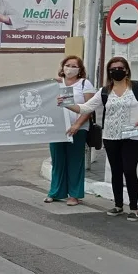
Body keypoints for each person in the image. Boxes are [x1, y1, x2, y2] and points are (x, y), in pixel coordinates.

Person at [59, 56, 138, 221]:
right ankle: (118, 205)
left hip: (133, 136)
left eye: (120, 68)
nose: (116, 71)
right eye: (113, 69)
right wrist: (66, 104)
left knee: (129, 170)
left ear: (126, 70)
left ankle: (134, 208)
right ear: (109, 72)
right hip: (111, 136)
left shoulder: (137, 88)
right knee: (116, 170)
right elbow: (86, 107)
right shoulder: (104, 91)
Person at [45, 55, 95, 206]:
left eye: (74, 66)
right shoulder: (55, 84)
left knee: (75, 161)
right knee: (57, 160)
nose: (70, 68)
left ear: (80, 69)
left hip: (78, 128)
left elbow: (89, 108)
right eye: (68, 65)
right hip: (57, 128)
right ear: (62, 67)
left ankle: (74, 195)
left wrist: (77, 125)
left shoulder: (84, 84)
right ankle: (55, 192)